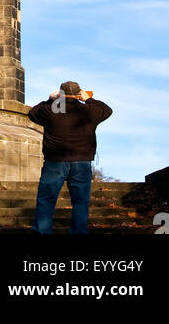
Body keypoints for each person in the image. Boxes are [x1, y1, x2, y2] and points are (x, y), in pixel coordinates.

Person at [27, 80, 113, 234]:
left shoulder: (51, 110)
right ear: (78, 93)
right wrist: (88, 99)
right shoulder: (89, 111)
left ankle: (42, 231)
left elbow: (33, 113)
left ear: (61, 94)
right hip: (82, 162)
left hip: (54, 162)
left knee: (46, 200)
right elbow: (107, 110)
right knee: (80, 202)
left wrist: (50, 99)